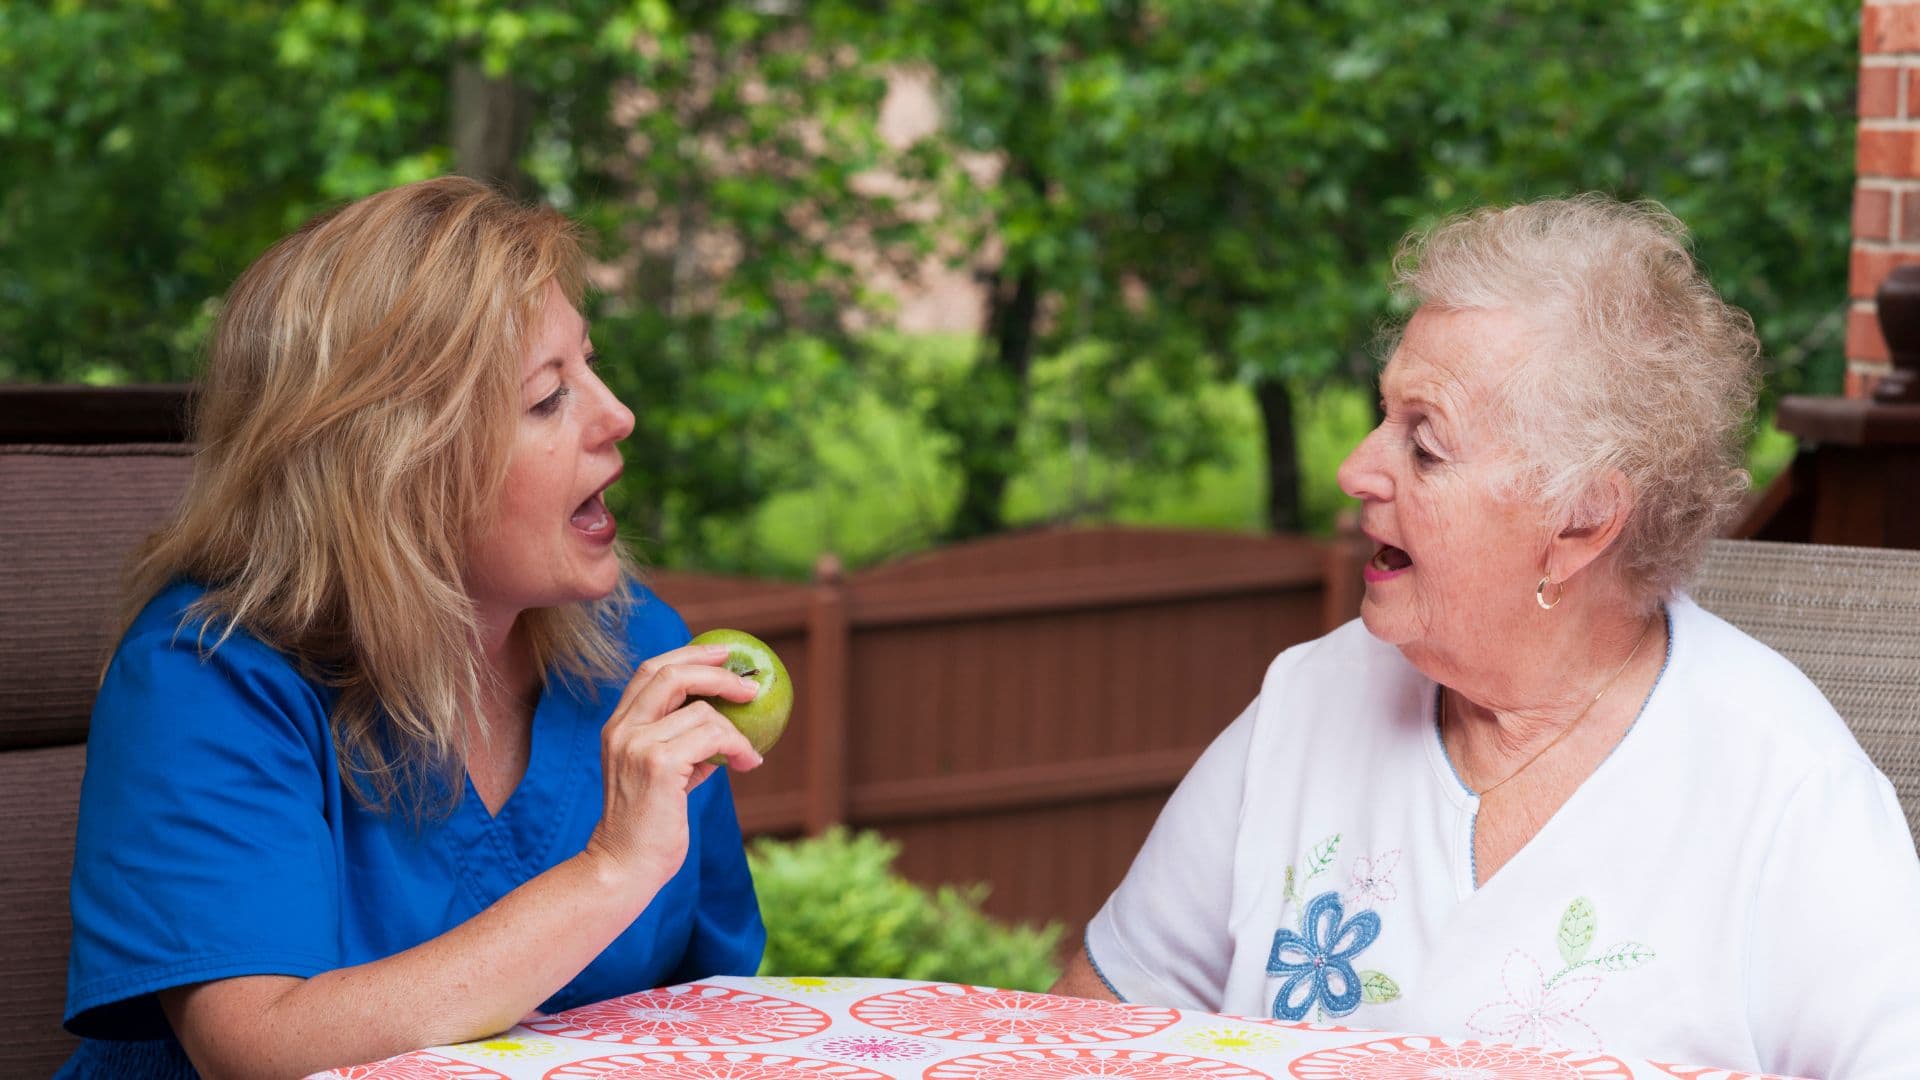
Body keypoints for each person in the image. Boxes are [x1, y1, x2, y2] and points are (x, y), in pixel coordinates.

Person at [1051, 195, 1920, 1076]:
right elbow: (1101, 1022)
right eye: (1383, 415)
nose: (1357, 469)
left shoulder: (1786, 793)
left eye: (1424, 445)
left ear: (1582, 521)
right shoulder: (1308, 704)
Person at [58, 177, 768, 1077]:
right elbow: (259, 1046)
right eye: (548, 397)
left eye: (591, 366)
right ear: (394, 465)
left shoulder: (639, 649)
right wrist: (609, 872)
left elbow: (713, 1011)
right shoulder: (205, 674)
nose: (618, 415)